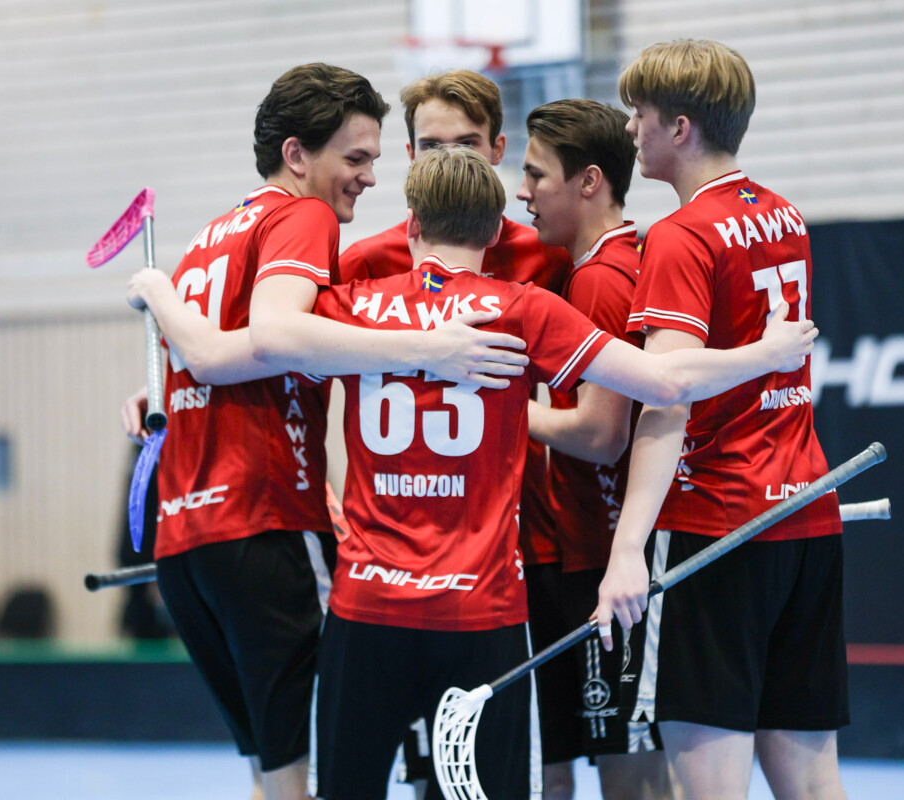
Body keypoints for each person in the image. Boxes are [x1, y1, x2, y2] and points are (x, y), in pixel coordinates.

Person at [306, 145, 818, 800]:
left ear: (410, 226)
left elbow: (256, 343)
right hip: (479, 611)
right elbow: (664, 382)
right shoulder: (522, 309)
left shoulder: (350, 306)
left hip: (366, 607)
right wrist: (766, 353)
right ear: (495, 235)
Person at [121, 63, 530, 800]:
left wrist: (166, 342)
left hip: (185, 544)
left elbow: (218, 354)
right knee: (308, 766)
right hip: (265, 518)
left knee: (275, 767)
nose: (371, 176)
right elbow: (260, 342)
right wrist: (429, 348)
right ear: (296, 155)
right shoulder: (302, 218)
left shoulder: (211, 236)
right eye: (356, 158)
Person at [594, 40, 848, 800]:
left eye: (638, 114)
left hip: (716, 528)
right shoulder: (785, 214)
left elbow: (667, 392)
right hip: (806, 516)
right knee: (813, 784)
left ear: (679, 128)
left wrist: (626, 550)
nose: (629, 129)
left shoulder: (680, 236)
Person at [333, 68, 573, 794]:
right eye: (432, 147)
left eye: (467, 144)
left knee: (519, 769)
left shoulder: (546, 258)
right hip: (394, 561)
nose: (450, 160)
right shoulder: (362, 264)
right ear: (410, 158)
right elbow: (292, 367)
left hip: (521, 546)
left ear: (498, 148)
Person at [515, 99, 671, 799]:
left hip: (613, 559)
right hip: (594, 551)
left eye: (535, 174)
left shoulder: (601, 278)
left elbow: (602, 436)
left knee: (633, 779)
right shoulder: (606, 266)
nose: (523, 192)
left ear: (589, 181)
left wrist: (502, 411)